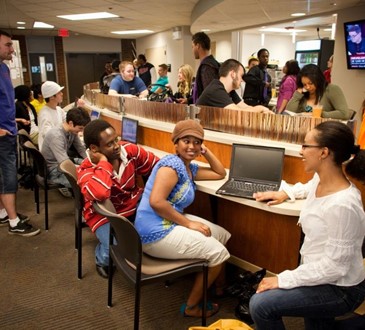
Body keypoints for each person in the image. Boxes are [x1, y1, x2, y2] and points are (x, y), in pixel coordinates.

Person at [250, 120, 365, 329]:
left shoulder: (343, 205)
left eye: (305, 146)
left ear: (324, 152)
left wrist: (283, 279)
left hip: (340, 288)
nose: (301, 151)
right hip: (318, 272)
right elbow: (308, 186)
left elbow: (335, 268)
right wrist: (286, 192)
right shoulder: (322, 180)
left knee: (261, 305)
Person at [135, 119, 231, 318]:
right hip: (154, 232)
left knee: (221, 234)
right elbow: (156, 202)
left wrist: (204, 150)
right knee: (219, 252)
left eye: (197, 142)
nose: (192, 146)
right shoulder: (171, 167)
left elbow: (219, 173)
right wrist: (189, 224)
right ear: (175, 143)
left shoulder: (188, 167)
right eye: (186, 141)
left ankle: (217, 287)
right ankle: (191, 307)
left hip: (166, 222)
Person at [77, 119, 159, 278]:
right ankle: (101, 260)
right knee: (111, 250)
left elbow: (158, 164)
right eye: (110, 144)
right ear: (94, 148)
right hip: (102, 214)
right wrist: (103, 163)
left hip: (130, 202)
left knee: (154, 230)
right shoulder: (86, 169)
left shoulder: (130, 151)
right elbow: (100, 194)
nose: (117, 145)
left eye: (117, 139)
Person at [0, 29, 40, 236]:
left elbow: (4, 103)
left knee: (3, 177)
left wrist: (13, 120)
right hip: (2, 136)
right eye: (7, 45)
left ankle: (3, 213)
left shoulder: (3, 69)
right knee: (8, 177)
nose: (12, 51)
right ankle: (14, 223)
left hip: (8, 129)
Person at [197, 59, 271, 113]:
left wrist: (264, 110)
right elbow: (238, 112)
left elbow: (245, 107)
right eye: (241, 76)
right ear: (233, 74)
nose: (242, 80)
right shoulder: (216, 90)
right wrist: (261, 108)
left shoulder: (229, 91)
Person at [41, 107, 90, 190]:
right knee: (85, 182)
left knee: (88, 166)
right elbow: (65, 163)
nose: (81, 131)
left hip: (62, 163)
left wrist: (90, 161)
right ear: (71, 123)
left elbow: (80, 148)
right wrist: (83, 169)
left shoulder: (71, 131)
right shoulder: (56, 136)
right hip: (54, 171)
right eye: (80, 128)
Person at [286, 64, 350, 119]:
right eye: (304, 84)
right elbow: (289, 113)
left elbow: (344, 113)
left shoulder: (331, 89)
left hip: (325, 130)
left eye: (311, 83)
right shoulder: (303, 94)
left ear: (318, 80)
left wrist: (319, 114)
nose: (308, 87)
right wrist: (297, 95)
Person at [190, 32, 221, 104]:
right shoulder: (211, 63)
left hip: (207, 111)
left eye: (192, 46)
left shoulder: (207, 66)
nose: (192, 50)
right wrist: (188, 100)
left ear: (198, 46)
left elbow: (209, 94)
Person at [37, 80, 66, 149]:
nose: (62, 94)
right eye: (59, 93)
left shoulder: (58, 109)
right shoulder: (44, 114)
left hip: (57, 146)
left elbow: (67, 120)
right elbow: (48, 135)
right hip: (50, 151)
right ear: (51, 97)